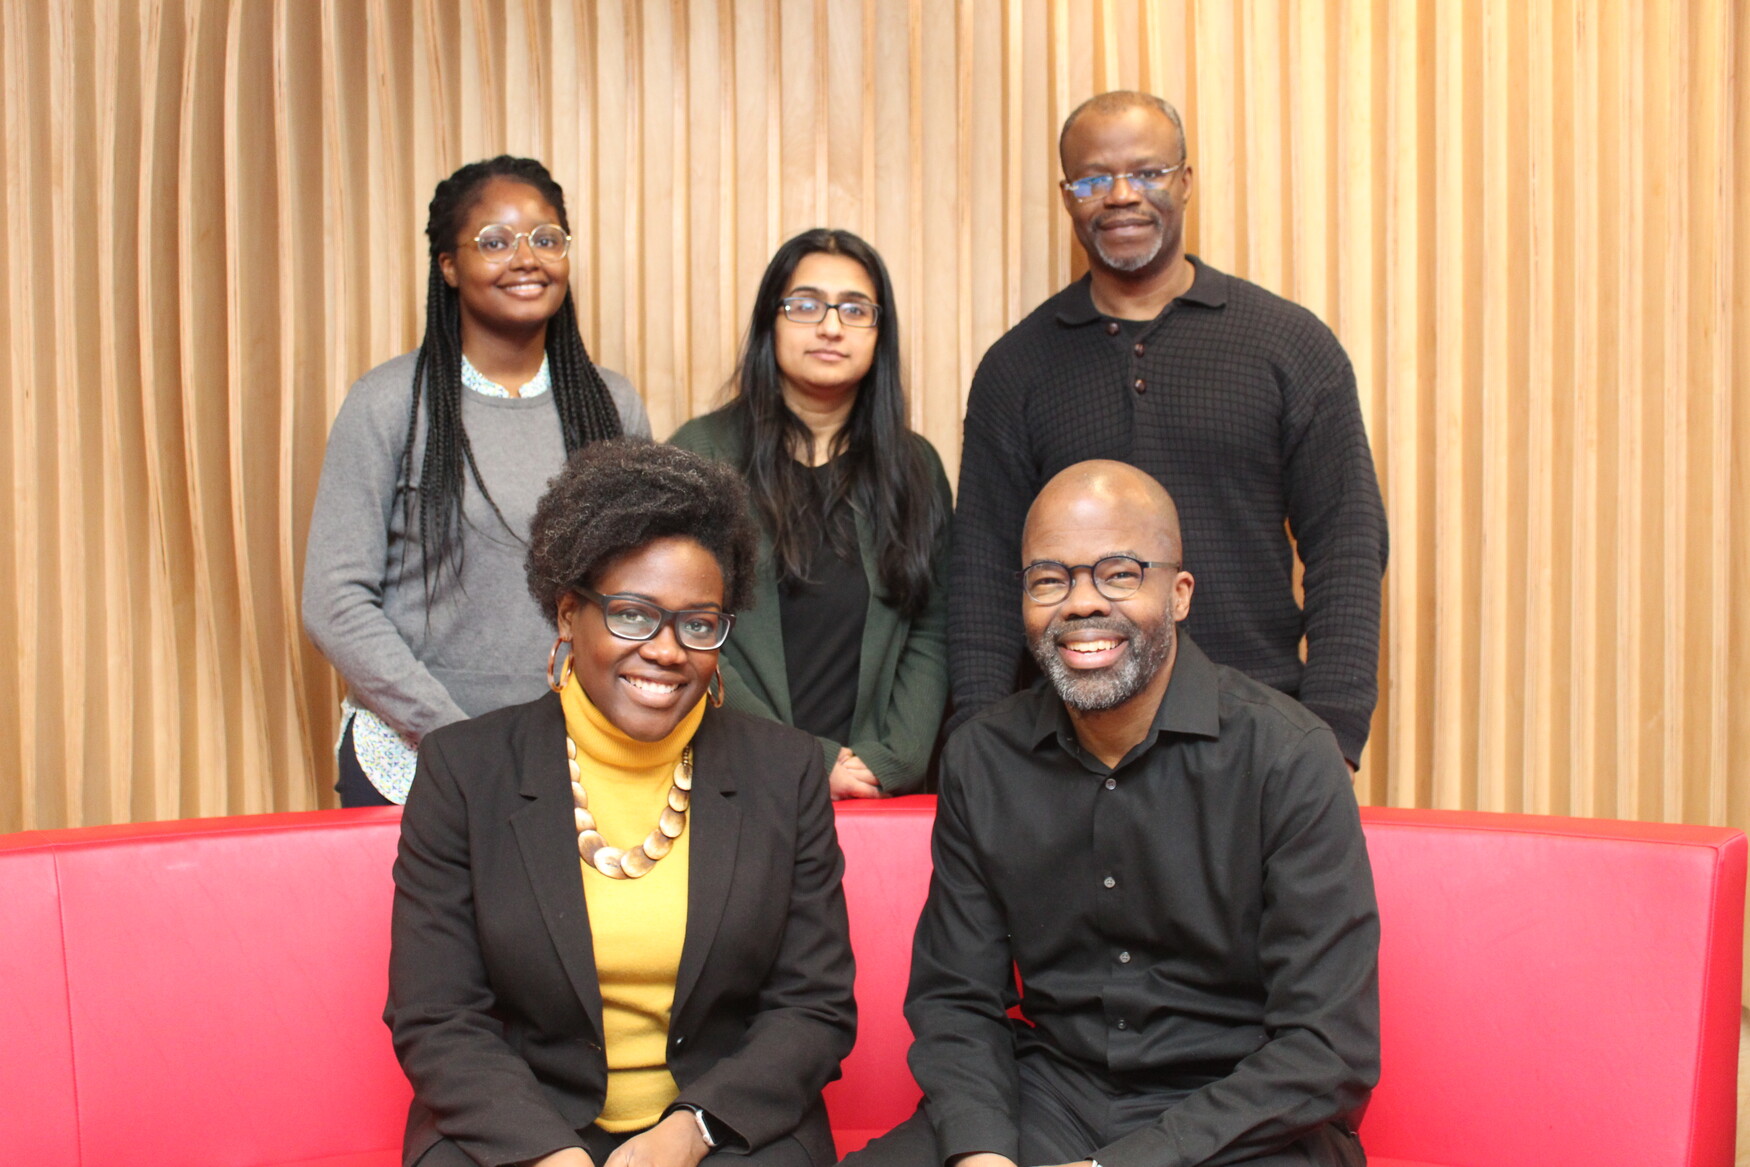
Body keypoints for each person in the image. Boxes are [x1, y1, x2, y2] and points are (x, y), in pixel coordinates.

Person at [847, 460, 1378, 1167]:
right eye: (1049, 579)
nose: (1081, 603)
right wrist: (981, 1152)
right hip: (1052, 1094)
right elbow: (956, 996)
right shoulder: (983, 757)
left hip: (1240, 1117)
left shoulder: (1288, 757)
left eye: (1119, 573)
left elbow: (1328, 1047)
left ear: (1180, 592)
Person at [386, 439, 855, 1167]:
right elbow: (437, 1015)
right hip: (517, 1126)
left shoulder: (783, 771)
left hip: (721, 1126)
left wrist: (688, 1131)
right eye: (634, 614)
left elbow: (814, 1007)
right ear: (569, 613)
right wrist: (551, 1153)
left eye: (699, 623)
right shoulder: (463, 770)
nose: (668, 649)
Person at [949, 91, 1387, 768]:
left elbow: (1348, 543)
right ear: (1068, 196)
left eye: (1149, 172)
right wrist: (978, 741)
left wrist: (1332, 730)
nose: (1122, 194)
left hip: (1259, 739)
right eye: (1095, 178)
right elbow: (981, 569)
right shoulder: (1017, 367)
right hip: (1067, 746)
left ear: (1186, 181)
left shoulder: (1289, 345)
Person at [303, 155, 650, 807]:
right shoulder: (387, 403)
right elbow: (335, 600)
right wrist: (454, 735)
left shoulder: (612, 405)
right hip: (416, 758)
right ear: (449, 266)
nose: (527, 258)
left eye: (547, 239)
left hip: (577, 760)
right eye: (495, 241)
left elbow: (640, 592)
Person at [671, 229, 950, 799]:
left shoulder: (914, 465)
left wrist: (893, 760)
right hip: (732, 782)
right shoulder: (699, 455)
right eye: (805, 305)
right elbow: (683, 633)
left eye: (854, 309)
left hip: (876, 790)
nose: (830, 326)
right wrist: (807, 760)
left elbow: (933, 626)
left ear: (880, 331)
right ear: (770, 322)